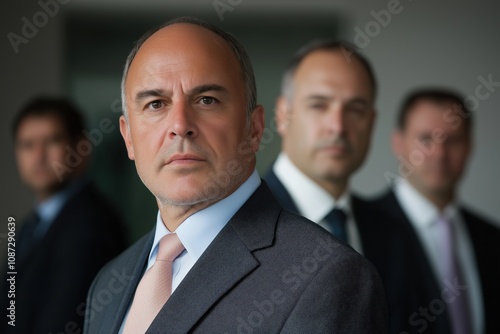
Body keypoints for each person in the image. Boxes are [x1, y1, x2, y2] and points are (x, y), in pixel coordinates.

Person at [84, 17, 387, 334]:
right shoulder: (109, 283)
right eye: (156, 103)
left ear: (254, 129)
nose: (180, 124)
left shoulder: (329, 277)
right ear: (128, 136)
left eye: (206, 100)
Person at [371, 88, 500, 333]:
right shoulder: (363, 230)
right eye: (426, 139)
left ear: (469, 147)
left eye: (452, 140)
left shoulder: (492, 239)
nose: (439, 153)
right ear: (398, 143)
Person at [1, 97, 127, 334]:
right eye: (27, 144)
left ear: (81, 148)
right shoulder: (31, 225)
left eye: (52, 141)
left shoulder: (91, 225)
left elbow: (62, 323)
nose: (38, 156)